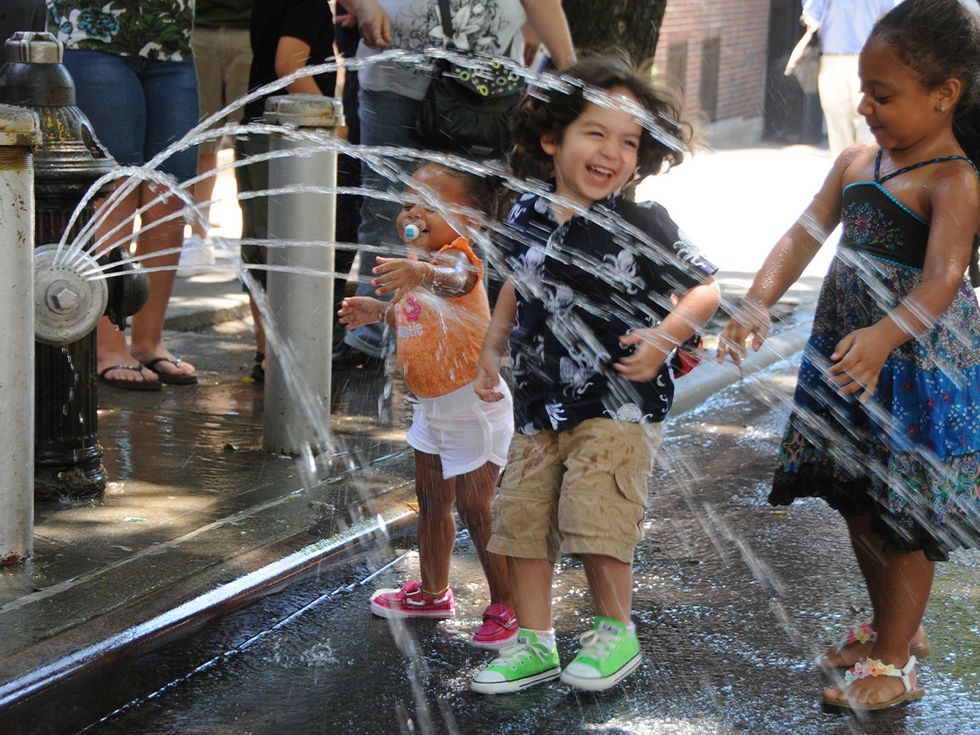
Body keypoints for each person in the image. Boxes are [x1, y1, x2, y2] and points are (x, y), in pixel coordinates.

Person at [719, 0, 979, 711]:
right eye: (864, 90)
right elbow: (803, 234)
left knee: (906, 515)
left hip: (916, 371)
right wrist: (757, 301)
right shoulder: (856, 163)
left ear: (945, 94)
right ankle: (896, 625)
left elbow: (943, 280)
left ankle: (895, 661)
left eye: (882, 95)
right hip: (848, 362)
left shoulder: (953, 181)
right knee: (857, 499)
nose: (864, 106)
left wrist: (886, 334)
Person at [469, 56, 721, 694]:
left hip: (620, 402)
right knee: (521, 520)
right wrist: (491, 349)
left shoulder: (643, 223)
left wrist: (664, 339)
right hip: (538, 405)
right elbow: (514, 284)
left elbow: (705, 291)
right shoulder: (524, 213)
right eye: (596, 133)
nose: (612, 152)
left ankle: (616, 631)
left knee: (596, 509)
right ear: (552, 138)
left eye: (629, 142)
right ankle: (535, 642)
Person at [335, 0, 576, 368]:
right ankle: (374, 337)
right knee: (387, 209)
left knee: (471, 217)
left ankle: (469, 336)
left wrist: (571, 70)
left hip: (483, 89)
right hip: (394, 76)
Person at [338, 162, 517, 649]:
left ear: (469, 222)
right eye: (407, 204)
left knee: (479, 508)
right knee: (433, 502)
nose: (413, 214)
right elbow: (415, 316)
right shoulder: (420, 266)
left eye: (430, 206)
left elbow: (454, 282)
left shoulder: (459, 259)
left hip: (473, 406)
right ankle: (433, 592)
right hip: (432, 409)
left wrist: (419, 270)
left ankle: (508, 604)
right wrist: (379, 311)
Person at [48, 0, 200, 389]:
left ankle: (149, 343)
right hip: (93, 35)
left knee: (170, 197)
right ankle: (108, 346)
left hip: (171, 40)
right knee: (115, 193)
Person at [235, 0, 336, 382]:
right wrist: (331, 121)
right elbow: (289, 64)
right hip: (288, 139)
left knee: (261, 246)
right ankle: (280, 357)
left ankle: (268, 351)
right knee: (285, 248)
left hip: (258, 131)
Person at [180, 0, 253, 273]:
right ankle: (198, 237)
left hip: (251, 28)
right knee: (201, 139)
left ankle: (255, 243)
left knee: (251, 140)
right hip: (197, 28)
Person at [802, 0, 900, 157]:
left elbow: (811, 19)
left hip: (836, 58)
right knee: (867, 121)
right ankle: (865, 166)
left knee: (839, 121)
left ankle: (847, 167)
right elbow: (890, 22)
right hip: (867, 59)